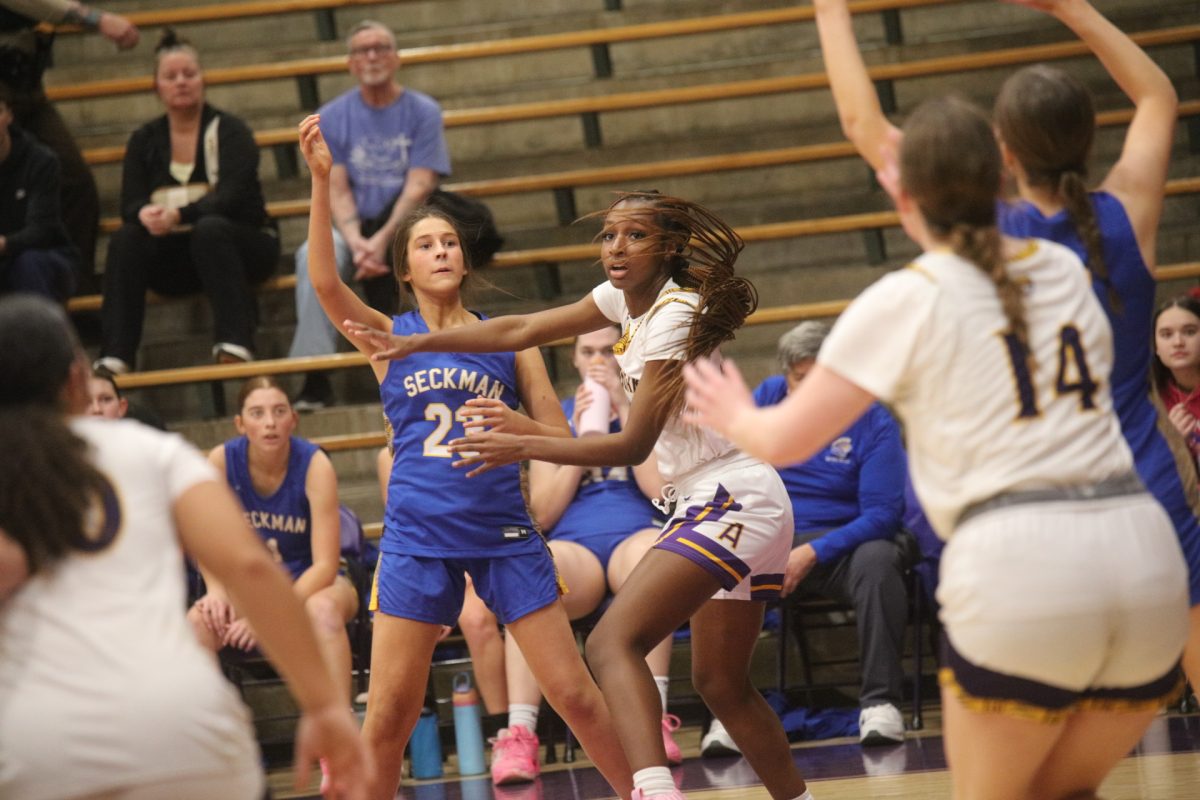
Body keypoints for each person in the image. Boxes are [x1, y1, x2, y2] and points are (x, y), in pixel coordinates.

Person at [682, 94, 1188, 800]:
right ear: (1003, 174)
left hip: (1024, 564)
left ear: (899, 188)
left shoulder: (906, 298)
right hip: (1145, 560)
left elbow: (781, 437)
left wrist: (733, 408)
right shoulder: (1066, 269)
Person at [345, 186, 814, 800]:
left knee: (612, 642)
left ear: (668, 247)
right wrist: (415, 343)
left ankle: (650, 791)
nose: (616, 247)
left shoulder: (673, 315)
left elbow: (631, 446)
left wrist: (523, 442)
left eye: (635, 236)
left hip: (730, 494)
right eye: (609, 235)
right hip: (712, 498)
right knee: (723, 685)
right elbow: (520, 327)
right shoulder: (624, 300)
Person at [811, 0, 1200, 692]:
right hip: (1143, 487)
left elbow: (861, 126)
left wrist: (831, 11)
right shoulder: (1125, 213)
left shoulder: (977, 238)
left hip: (1036, 511)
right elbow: (1158, 94)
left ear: (1006, 154)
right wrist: (1071, 8)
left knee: (1049, 727)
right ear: (1088, 139)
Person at [297, 114, 633, 800]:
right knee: (388, 714)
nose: (442, 251)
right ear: (406, 268)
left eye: (450, 241)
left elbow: (559, 437)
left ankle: (647, 791)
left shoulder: (510, 339)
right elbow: (328, 288)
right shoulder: (392, 337)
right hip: (418, 538)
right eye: (425, 244)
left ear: (465, 259)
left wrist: (523, 437)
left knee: (574, 693)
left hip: (504, 533)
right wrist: (321, 182)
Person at [0, 294, 371, 800]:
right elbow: (250, 569)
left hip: (38, 744)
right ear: (75, 380)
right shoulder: (151, 452)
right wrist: (324, 706)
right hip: (180, 727)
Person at [490, 325, 676, 786]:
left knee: (654, 557)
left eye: (609, 351)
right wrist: (576, 441)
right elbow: (545, 514)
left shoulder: (645, 413)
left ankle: (654, 720)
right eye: (588, 352)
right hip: (577, 547)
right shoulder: (557, 422)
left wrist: (627, 412)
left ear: (624, 357)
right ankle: (519, 733)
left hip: (634, 536)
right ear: (574, 360)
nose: (599, 361)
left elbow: (662, 495)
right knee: (529, 576)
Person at [747, 320, 910, 749]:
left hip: (843, 546)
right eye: (802, 379)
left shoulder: (872, 419)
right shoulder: (765, 399)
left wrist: (810, 553)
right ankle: (733, 714)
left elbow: (883, 515)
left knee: (880, 560)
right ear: (786, 377)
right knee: (717, 557)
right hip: (771, 536)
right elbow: (733, 472)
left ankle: (880, 705)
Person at [94, 28, 280, 376]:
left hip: (242, 248)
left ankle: (236, 343)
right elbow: (129, 204)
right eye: (171, 76)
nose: (181, 82)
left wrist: (179, 213)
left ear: (202, 80)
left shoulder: (230, 131)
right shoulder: (144, 139)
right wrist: (144, 213)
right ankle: (115, 355)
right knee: (126, 238)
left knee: (210, 229)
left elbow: (231, 198)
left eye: (189, 74)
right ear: (156, 86)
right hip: (178, 259)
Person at [290, 19, 450, 410]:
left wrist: (382, 240)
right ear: (350, 63)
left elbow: (420, 184)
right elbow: (337, 187)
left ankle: (429, 362)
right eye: (363, 50)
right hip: (354, 228)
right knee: (309, 254)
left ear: (396, 58)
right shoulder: (333, 114)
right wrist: (360, 240)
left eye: (381, 48)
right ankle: (315, 377)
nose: (373, 56)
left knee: (428, 246)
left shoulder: (423, 110)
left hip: (406, 224)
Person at [187, 376, 360, 716]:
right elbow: (204, 540)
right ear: (240, 424)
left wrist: (268, 616)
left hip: (314, 583)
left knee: (323, 614)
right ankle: (219, 741)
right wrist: (216, 589)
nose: (269, 423)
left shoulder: (315, 464)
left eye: (279, 411)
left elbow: (325, 566)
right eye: (257, 413)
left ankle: (338, 741)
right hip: (250, 586)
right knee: (198, 622)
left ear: (293, 420)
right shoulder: (221, 462)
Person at [0, 0, 137, 291]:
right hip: (9, 81)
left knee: (75, 181)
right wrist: (95, 18)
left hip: (24, 83)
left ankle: (75, 289)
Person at [0, 86, 77, 301]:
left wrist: (5, 244)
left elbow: (43, 231)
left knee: (29, 263)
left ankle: (38, 333)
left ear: (8, 116)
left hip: (44, 257)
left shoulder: (40, 161)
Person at [1152, 294, 1200, 467]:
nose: (1178, 342)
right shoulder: (1150, 399)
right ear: (1156, 346)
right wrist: (1173, 442)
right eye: (1167, 335)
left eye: (1189, 332)